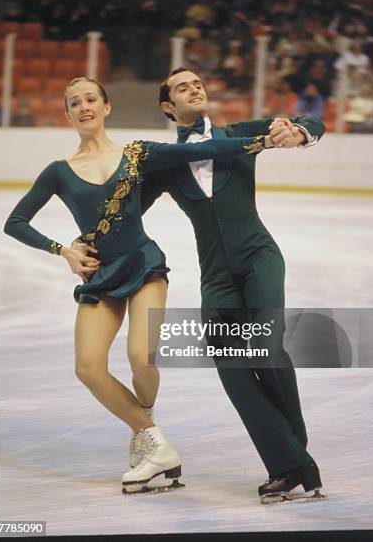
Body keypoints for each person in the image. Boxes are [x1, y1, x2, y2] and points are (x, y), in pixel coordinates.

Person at [3, 76, 274, 494]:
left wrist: (260, 142)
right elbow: (14, 222)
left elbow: (203, 150)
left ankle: (144, 429)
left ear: (106, 106)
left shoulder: (138, 154)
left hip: (145, 266)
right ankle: (153, 440)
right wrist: (65, 250)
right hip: (101, 276)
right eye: (75, 102)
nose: (84, 106)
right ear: (68, 114)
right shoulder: (57, 172)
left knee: (140, 356)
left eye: (91, 98)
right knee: (88, 367)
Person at [137, 67, 326, 504]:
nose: (195, 88)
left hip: (258, 255)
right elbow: (130, 211)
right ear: (169, 106)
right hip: (215, 274)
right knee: (232, 366)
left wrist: (298, 132)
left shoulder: (241, 133)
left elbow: (311, 123)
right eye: (183, 87)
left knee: (267, 347)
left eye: (198, 82)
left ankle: (290, 465)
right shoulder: (166, 160)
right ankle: (298, 465)